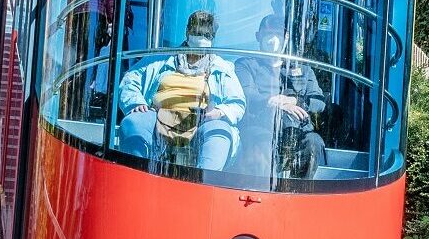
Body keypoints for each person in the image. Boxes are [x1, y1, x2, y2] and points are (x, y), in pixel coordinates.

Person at [115, 10, 244, 173]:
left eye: (207, 35)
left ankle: (202, 186)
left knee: (220, 135)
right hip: (158, 115)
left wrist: (219, 112)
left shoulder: (222, 68)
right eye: (197, 33)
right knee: (133, 123)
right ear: (187, 33)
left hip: (201, 121)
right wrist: (136, 102)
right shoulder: (160, 58)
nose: (201, 39)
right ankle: (139, 177)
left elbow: (237, 103)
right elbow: (131, 79)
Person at [233, 15, 327, 181]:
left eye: (277, 34)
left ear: (286, 37)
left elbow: (319, 101)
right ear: (258, 36)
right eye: (268, 34)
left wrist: (296, 102)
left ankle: (299, 195)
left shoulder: (303, 69)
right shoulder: (246, 64)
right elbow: (247, 93)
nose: (272, 40)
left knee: (314, 143)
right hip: (261, 127)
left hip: (297, 130)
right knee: (261, 144)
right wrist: (274, 102)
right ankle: (262, 196)